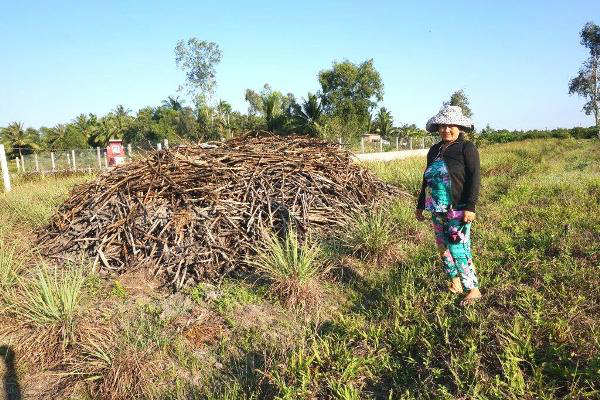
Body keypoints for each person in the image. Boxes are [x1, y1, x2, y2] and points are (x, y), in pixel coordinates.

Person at [415, 105, 481, 305]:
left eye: (451, 125)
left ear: (459, 127)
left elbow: (474, 177)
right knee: (442, 246)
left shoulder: (466, 148)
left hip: (458, 208)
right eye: (443, 126)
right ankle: (455, 283)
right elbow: (426, 178)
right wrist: (420, 204)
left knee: (458, 247)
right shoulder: (434, 150)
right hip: (436, 207)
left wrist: (470, 206)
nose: (446, 129)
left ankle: (472, 289)